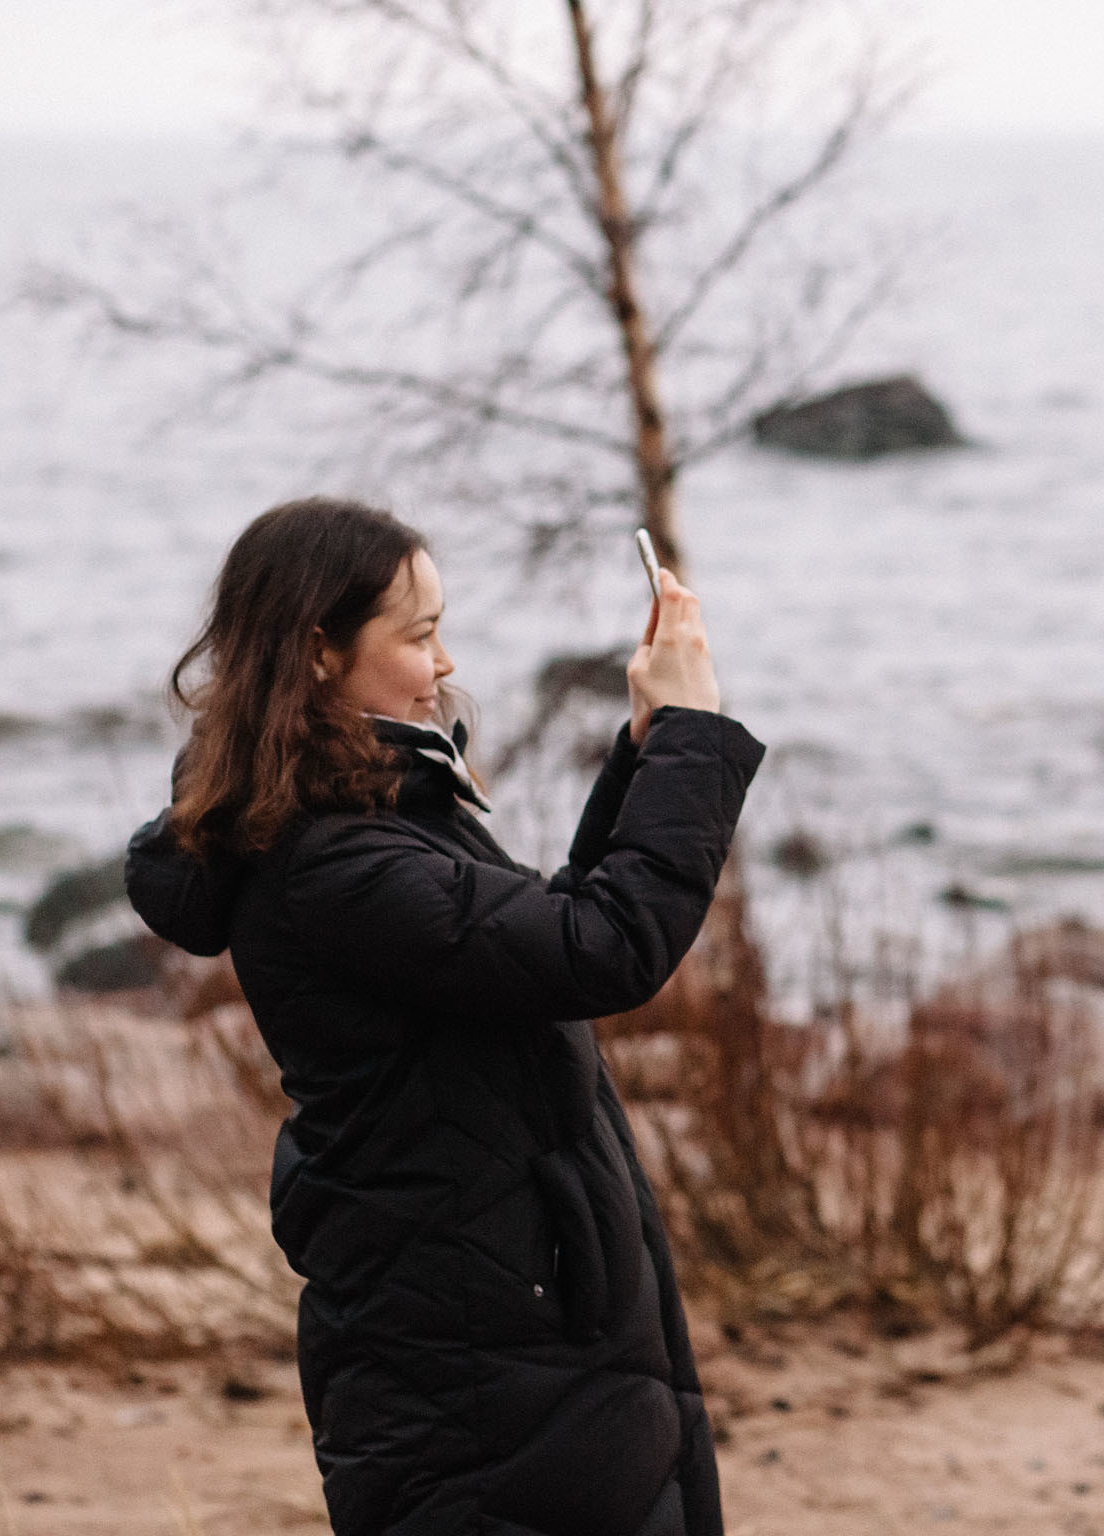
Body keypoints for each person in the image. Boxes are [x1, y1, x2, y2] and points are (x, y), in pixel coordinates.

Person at [124, 498, 762, 1535]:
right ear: (319, 652)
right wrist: (692, 737)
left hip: (514, 1323)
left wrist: (647, 750)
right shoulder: (335, 865)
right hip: (471, 1359)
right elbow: (602, 947)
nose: (442, 662)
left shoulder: (370, 818)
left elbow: (549, 937)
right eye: (418, 636)